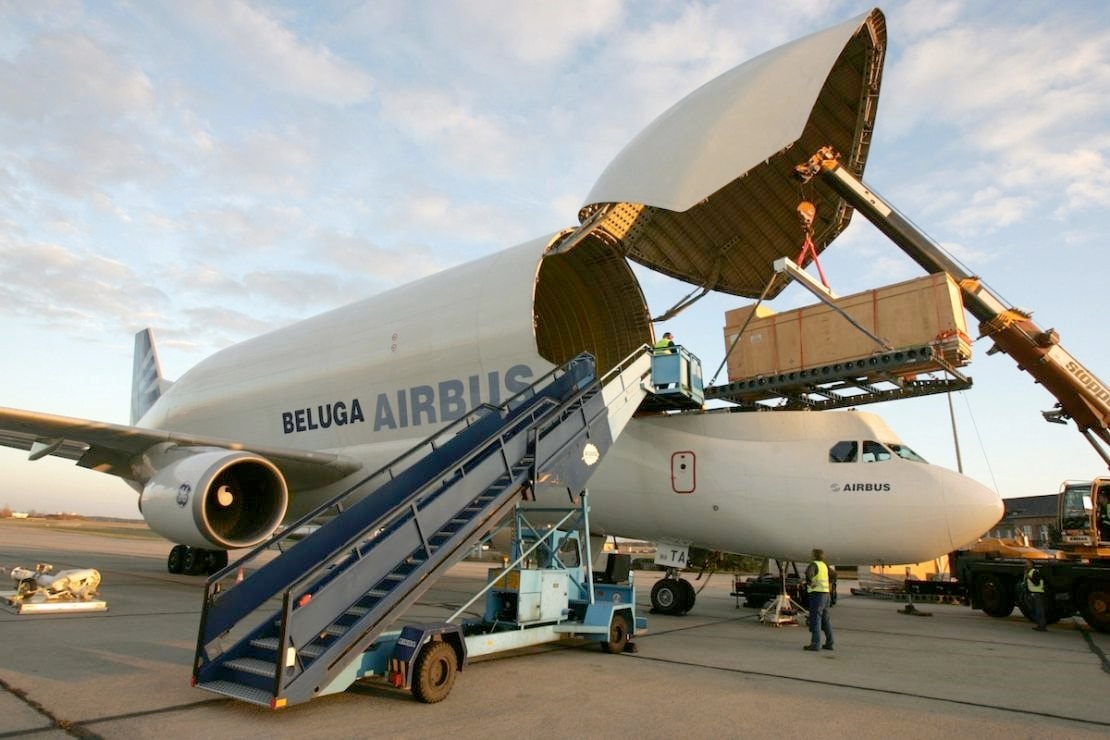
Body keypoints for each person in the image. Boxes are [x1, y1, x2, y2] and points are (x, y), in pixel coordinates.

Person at [804, 548, 834, 651]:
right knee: (826, 619)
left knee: (816, 619)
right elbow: (834, 575)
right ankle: (830, 643)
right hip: (826, 595)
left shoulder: (813, 564)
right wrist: (830, 585)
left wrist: (810, 583)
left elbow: (808, 574)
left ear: (814, 555)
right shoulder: (824, 565)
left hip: (817, 595)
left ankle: (815, 644)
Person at [1024, 559, 1047, 631]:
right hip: (1032, 593)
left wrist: (1028, 577)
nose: (1025, 564)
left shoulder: (1034, 572)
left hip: (1037, 593)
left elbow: (1036, 582)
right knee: (1034, 609)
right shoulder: (1029, 572)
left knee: (1039, 610)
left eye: (1027, 563)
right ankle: (1040, 624)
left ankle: (1041, 626)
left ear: (1031, 564)